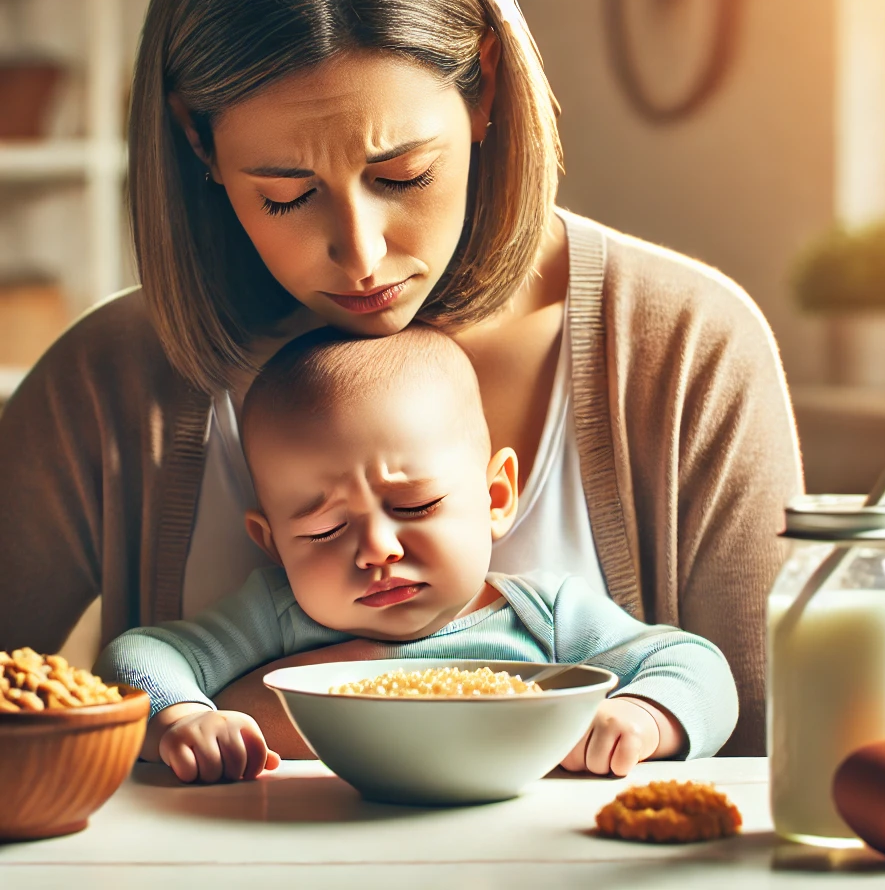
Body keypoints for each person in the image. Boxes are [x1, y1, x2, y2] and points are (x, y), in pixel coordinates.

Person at [0, 0, 801, 757]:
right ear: (199, 141)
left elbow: (773, 762)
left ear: (486, 88)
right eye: (287, 195)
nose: (362, 253)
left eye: (403, 177)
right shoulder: (111, 380)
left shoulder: (687, 350)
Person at [97, 326, 739, 783]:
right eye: (323, 531)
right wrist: (183, 716)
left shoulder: (543, 614)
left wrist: (645, 716)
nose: (377, 549)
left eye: (414, 507)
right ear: (272, 543)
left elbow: (695, 664)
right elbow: (139, 655)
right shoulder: (278, 612)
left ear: (495, 496)